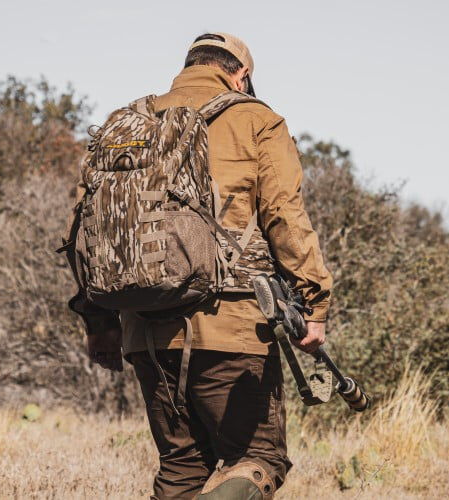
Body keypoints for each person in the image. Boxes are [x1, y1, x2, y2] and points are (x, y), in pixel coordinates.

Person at [70, 32, 334, 499]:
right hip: (232, 325)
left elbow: (83, 232)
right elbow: (285, 218)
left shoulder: (125, 122)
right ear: (241, 75)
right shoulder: (256, 118)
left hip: (143, 329)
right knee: (258, 458)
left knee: (181, 469)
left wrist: (99, 323)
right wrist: (314, 303)